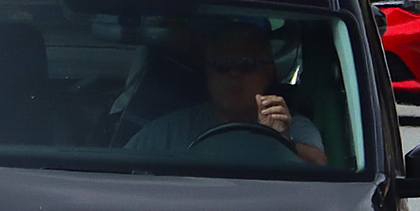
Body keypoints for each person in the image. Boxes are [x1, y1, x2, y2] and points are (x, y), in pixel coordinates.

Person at [126, 24, 326, 165]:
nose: (234, 74)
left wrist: (282, 140)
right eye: (222, 66)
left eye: (246, 65)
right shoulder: (168, 132)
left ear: (268, 73)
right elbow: (122, 172)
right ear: (208, 73)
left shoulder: (293, 126)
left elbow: (322, 175)